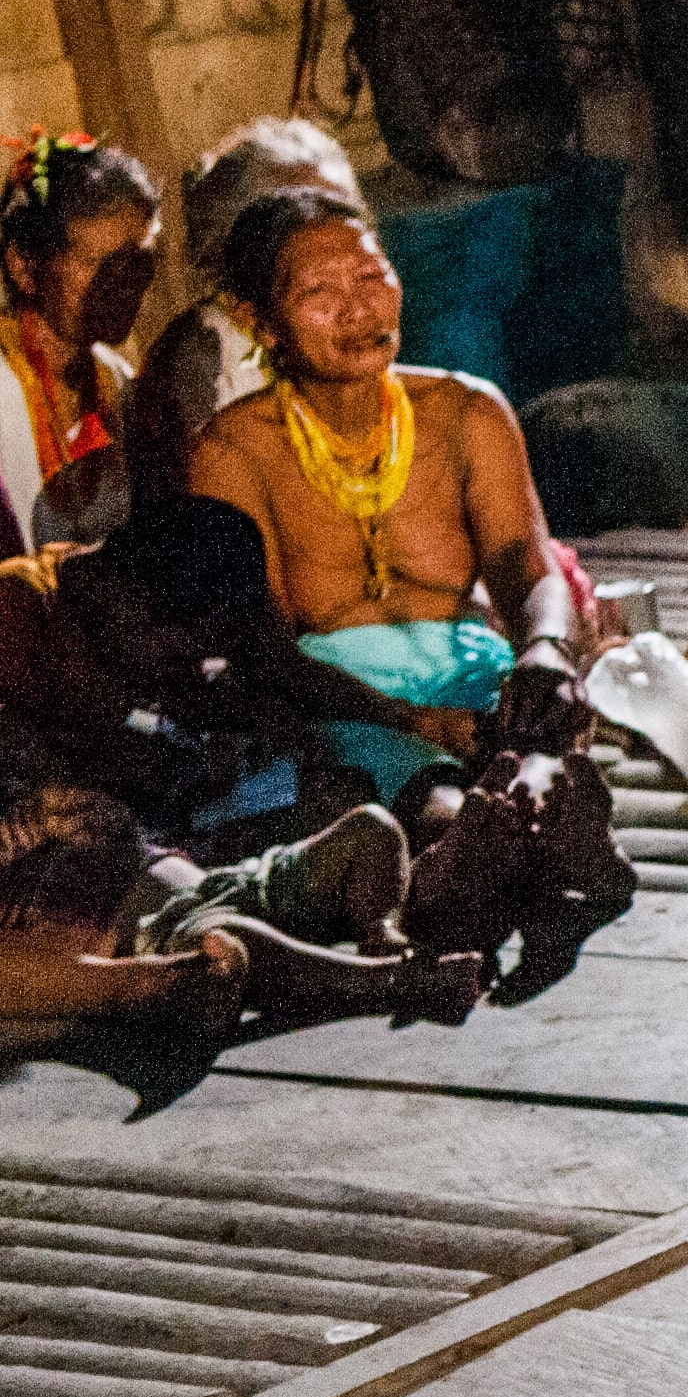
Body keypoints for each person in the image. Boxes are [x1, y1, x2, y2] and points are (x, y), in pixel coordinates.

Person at [183, 187, 623, 918]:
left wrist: (545, 647)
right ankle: (505, 843)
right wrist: (413, 722)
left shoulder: (467, 411)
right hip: (347, 706)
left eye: (370, 276)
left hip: (478, 680)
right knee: (433, 805)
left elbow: (524, 559)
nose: (358, 310)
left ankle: (535, 811)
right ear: (260, 320)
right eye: (318, 293)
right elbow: (263, 648)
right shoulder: (235, 450)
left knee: (529, 748)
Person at [0, 493, 454, 839]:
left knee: (343, 795)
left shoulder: (195, 590)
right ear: (134, 603)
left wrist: (407, 717)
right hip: (76, 844)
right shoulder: (19, 621)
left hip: (173, 815)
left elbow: (283, 668)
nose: (190, 665)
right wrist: (187, 762)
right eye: (183, 652)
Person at [0, 779, 475, 1063]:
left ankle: (385, 935)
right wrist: (154, 978)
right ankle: (397, 979)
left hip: (228, 882)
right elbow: (28, 976)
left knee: (372, 826)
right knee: (231, 941)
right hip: (163, 935)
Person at [126, 116, 357, 504]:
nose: (337, 237)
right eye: (307, 217)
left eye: (345, 214)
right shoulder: (200, 355)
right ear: (240, 234)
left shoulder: (353, 318)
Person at [3, 128, 156, 553]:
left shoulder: (117, 381)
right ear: (25, 267)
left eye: (136, 264)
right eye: (100, 264)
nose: (123, 285)